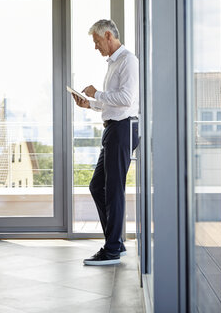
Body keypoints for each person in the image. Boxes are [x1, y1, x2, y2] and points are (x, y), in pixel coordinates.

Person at [72, 19, 139, 266]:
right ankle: (116, 243)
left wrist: (96, 94)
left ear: (108, 35)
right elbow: (113, 102)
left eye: (97, 41)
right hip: (113, 129)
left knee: (112, 189)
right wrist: (88, 103)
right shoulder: (113, 64)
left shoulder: (128, 61)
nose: (96, 47)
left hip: (123, 128)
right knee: (96, 186)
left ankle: (111, 249)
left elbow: (125, 98)